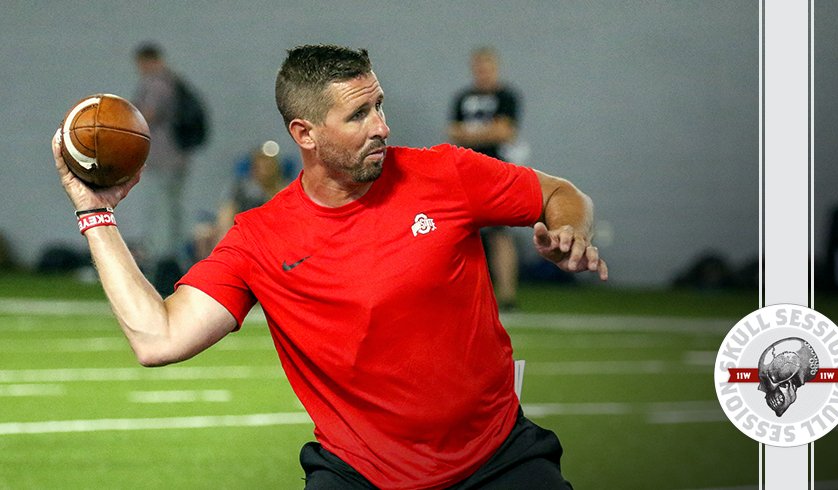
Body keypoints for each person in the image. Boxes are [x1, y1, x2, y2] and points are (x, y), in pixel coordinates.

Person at [51, 44, 607, 489]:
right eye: (358, 114)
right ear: (305, 134)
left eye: (379, 105)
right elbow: (160, 338)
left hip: (499, 460)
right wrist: (95, 215)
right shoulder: (261, 238)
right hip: (359, 475)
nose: (382, 126)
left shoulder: (444, 174)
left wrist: (568, 228)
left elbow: (559, 192)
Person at [448, 47, 522, 311]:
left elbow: (505, 131)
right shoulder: (463, 97)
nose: (483, 72)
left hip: (498, 172)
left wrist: (472, 134)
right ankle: (466, 294)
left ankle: (508, 297)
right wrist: (487, 132)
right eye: (479, 67)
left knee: (500, 235)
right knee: (463, 233)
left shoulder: (507, 96)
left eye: (487, 67)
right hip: (466, 173)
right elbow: (453, 131)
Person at [132, 42, 192, 292]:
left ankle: (165, 264)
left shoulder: (158, 83)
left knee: (163, 211)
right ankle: (171, 259)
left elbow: (149, 114)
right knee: (170, 210)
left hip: (164, 158)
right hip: (173, 157)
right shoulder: (173, 81)